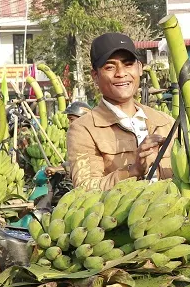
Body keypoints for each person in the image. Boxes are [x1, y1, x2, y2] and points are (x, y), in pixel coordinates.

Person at [68, 33, 175, 190]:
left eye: (128, 64)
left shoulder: (165, 123)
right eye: (110, 67)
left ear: (139, 68)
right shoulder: (83, 129)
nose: (121, 73)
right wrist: (133, 170)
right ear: (95, 76)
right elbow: (85, 189)